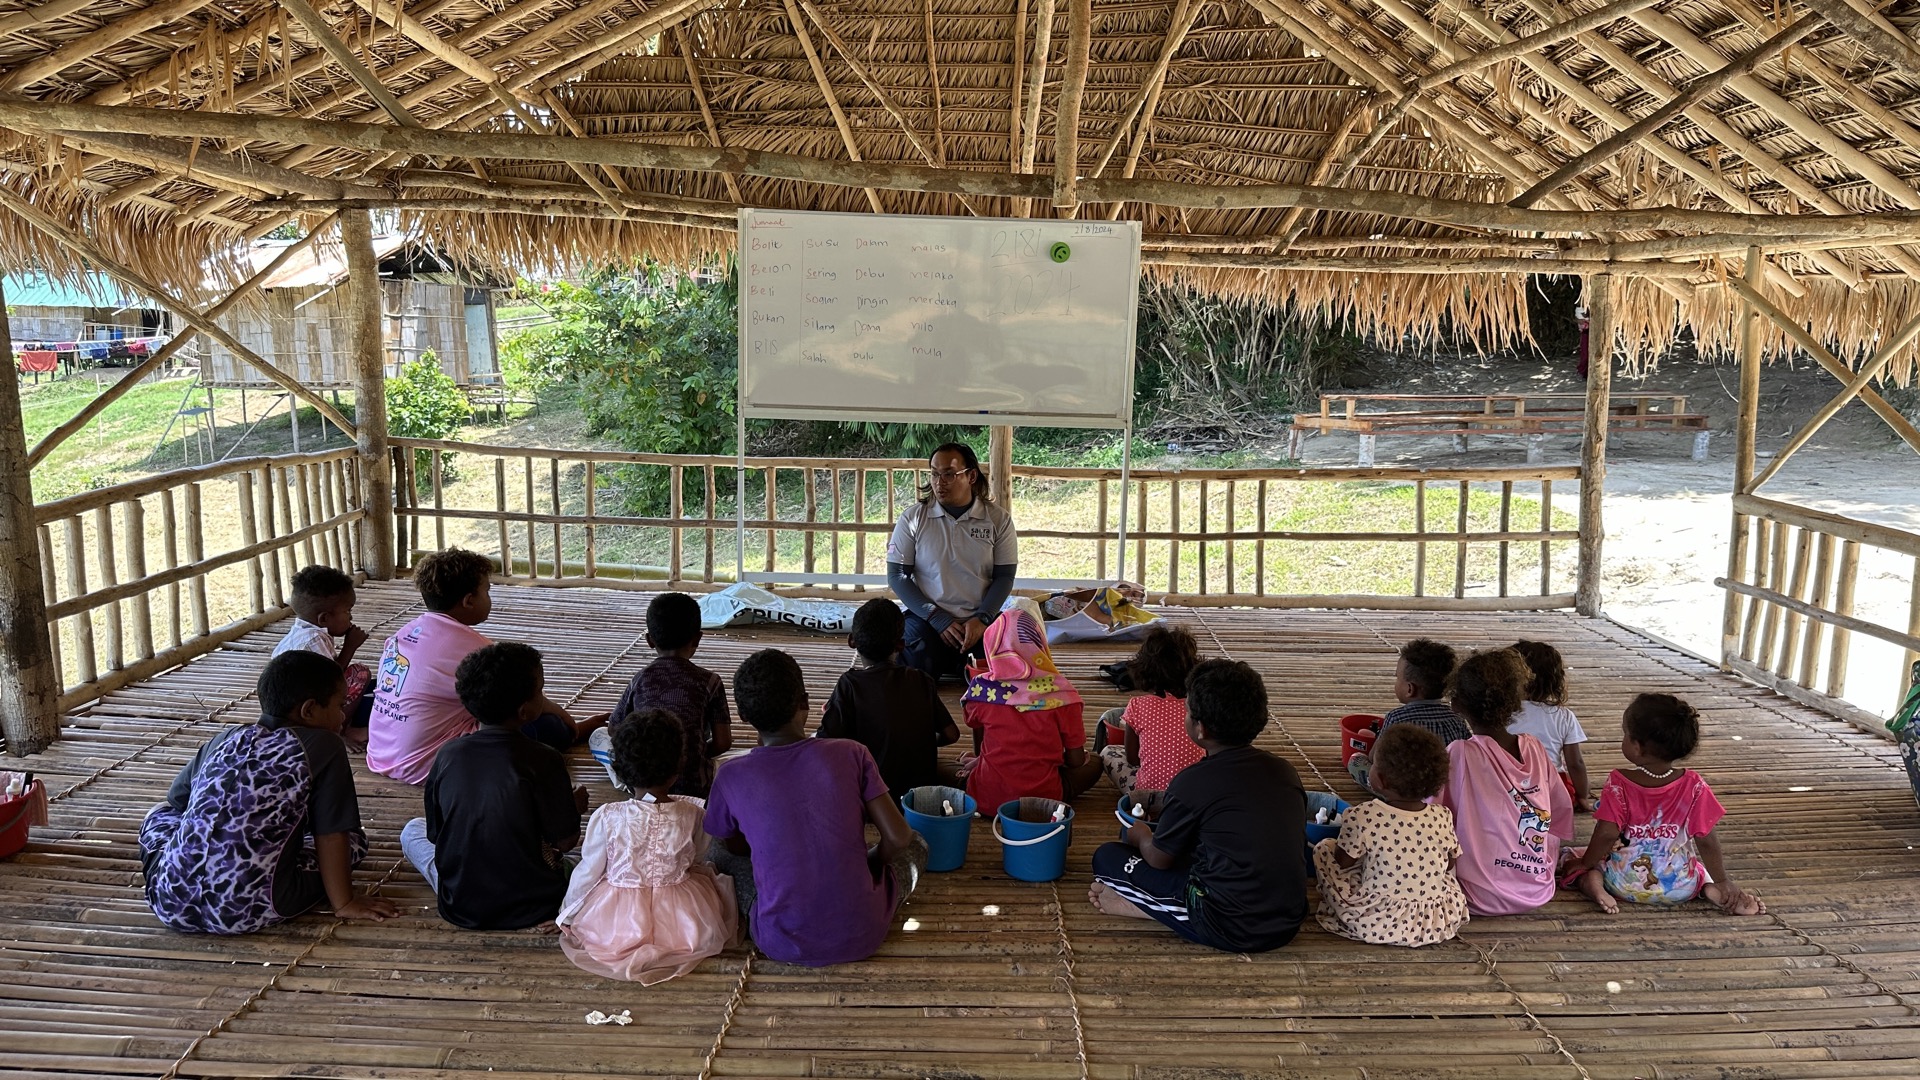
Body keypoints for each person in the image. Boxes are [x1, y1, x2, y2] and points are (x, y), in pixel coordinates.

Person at [139, 651, 397, 934]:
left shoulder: (224, 738)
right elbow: (332, 832)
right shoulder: (324, 744)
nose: (340, 716)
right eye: (338, 706)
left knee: (158, 814)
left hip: (170, 902)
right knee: (355, 841)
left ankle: (182, 868)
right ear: (309, 710)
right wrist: (345, 902)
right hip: (250, 907)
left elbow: (177, 803)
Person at [704, 649, 928, 966]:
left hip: (780, 941)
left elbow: (734, 847)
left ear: (743, 716)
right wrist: (869, 862)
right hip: (864, 931)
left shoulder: (730, 776)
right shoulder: (853, 753)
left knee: (716, 849)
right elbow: (900, 838)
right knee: (918, 843)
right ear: (805, 702)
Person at [1087, 659, 1309, 953]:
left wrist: (1139, 834)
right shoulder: (1285, 771)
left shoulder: (1193, 781)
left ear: (1200, 729)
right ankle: (1160, 904)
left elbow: (1158, 859)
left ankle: (1151, 907)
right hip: (1288, 917)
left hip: (1232, 925)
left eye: (1187, 711)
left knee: (1107, 857)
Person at [368, 548, 603, 785]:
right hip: (431, 765)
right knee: (545, 726)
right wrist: (569, 721)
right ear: (469, 601)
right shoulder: (475, 649)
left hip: (382, 752)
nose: (489, 598)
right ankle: (571, 734)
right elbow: (525, 701)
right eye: (487, 591)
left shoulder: (404, 633)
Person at [402, 642, 588, 931]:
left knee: (411, 831)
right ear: (525, 711)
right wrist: (572, 809)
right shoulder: (544, 759)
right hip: (535, 904)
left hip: (461, 903)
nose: (543, 696)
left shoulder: (448, 754)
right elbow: (564, 842)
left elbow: (437, 835)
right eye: (540, 690)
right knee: (593, 856)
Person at [558, 710, 738, 983]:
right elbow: (696, 858)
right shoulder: (695, 813)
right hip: (683, 917)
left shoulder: (607, 816)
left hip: (616, 918)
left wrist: (566, 915)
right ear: (678, 767)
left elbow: (588, 872)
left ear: (619, 768)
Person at [1562, 693, 1764, 916]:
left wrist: (1585, 862)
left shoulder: (1620, 783)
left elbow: (1607, 833)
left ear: (1637, 747)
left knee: (1578, 860)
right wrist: (1723, 880)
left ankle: (1596, 887)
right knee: (1697, 868)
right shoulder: (1694, 785)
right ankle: (1711, 889)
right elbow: (1706, 840)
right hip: (1678, 884)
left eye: (1625, 734)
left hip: (1623, 881)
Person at [1438, 648, 1572, 917]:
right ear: (1515, 702)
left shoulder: (1461, 752)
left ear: (1456, 705)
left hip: (1477, 895)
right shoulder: (1534, 747)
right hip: (1538, 887)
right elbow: (1561, 811)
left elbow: (1432, 815)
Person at [1313, 724, 1470, 947]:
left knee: (1324, 849)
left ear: (1381, 780)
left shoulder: (1363, 815)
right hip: (1431, 923)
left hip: (1377, 920)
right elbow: (1448, 865)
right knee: (1444, 880)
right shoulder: (1442, 816)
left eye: (1373, 765)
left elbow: (1343, 862)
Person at [886, 442, 1018, 681]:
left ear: (971, 476)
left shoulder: (997, 520)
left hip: (979, 620)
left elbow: (1004, 577)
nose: (939, 482)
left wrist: (983, 618)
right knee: (915, 661)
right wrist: (937, 618)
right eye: (935, 474)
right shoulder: (914, 518)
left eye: (948, 474)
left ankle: (964, 664)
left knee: (1006, 660)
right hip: (928, 620)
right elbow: (898, 576)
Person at [960, 609, 1101, 815]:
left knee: (946, 767)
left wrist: (980, 761)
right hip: (1043, 803)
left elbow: (981, 749)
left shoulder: (982, 690)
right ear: (1039, 644)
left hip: (986, 799)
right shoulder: (1063, 695)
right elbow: (1075, 761)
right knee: (1096, 763)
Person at [590, 592, 732, 797]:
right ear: (697, 639)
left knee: (598, 736)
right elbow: (723, 743)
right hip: (696, 786)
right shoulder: (710, 681)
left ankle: (628, 782)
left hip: (642, 780)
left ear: (649, 640)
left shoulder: (641, 679)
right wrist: (693, 753)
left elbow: (614, 729)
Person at [817, 598, 960, 800]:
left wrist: (835, 714)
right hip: (918, 797)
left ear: (851, 641)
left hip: (872, 794)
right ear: (901, 645)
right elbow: (951, 734)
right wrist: (918, 741)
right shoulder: (921, 679)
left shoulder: (850, 684)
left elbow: (825, 743)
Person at [1095, 625, 1203, 799]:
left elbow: (1132, 759)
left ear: (1144, 669)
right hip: (1193, 797)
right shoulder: (1199, 705)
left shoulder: (1137, 705)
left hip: (1148, 799)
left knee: (1109, 752)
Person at [1348, 638, 1465, 788]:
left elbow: (1375, 758)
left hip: (1405, 791)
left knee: (1356, 761)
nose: (1396, 681)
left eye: (1397, 677)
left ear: (1410, 689)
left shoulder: (1397, 718)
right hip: (1443, 789)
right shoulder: (1456, 718)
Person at [273, 565, 374, 732]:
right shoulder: (313, 641)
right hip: (304, 712)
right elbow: (331, 680)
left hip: (289, 707)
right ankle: (340, 730)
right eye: (347, 611)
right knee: (360, 674)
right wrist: (350, 646)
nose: (351, 616)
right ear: (324, 618)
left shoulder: (301, 633)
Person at [1508, 640, 1592, 811]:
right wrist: (1583, 796)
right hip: (1550, 788)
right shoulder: (1563, 716)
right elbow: (1575, 763)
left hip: (1509, 784)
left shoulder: (1501, 714)